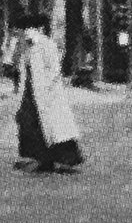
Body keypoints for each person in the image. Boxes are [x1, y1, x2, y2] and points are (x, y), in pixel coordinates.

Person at [12, 15, 83, 172]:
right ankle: (39, 157)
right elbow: (24, 71)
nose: (25, 33)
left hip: (48, 94)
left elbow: (55, 69)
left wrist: (46, 87)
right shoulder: (26, 48)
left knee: (55, 126)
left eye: (28, 30)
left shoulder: (47, 45)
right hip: (30, 92)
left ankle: (64, 159)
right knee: (28, 122)